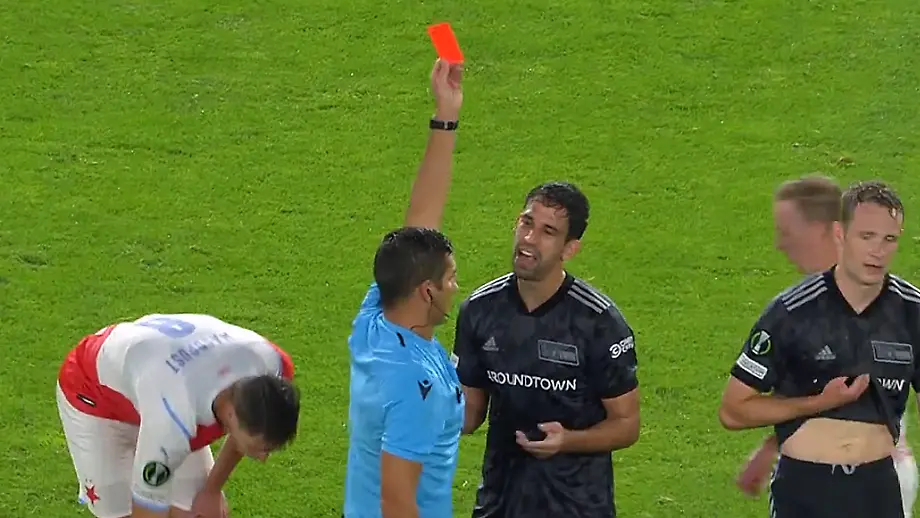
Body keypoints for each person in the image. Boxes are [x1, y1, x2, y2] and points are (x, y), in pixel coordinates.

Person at [718, 180, 920, 518]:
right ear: (840, 234)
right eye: (867, 236)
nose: (878, 251)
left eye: (889, 239)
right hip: (806, 489)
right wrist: (819, 403)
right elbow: (733, 410)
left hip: (879, 490)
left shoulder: (912, 312)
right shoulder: (791, 312)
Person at [453, 181, 641, 518]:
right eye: (526, 222)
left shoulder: (598, 322)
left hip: (577, 508)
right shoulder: (480, 310)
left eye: (547, 231)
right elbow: (469, 414)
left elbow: (626, 424)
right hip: (499, 503)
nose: (529, 238)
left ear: (570, 249)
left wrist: (567, 440)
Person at [342, 58, 465, 518]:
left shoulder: (375, 321)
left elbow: (419, 227)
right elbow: (396, 502)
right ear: (426, 292)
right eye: (450, 278)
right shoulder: (416, 387)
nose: (456, 287)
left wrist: (446, 116)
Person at [56, 313, 300, 518]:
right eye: (259, 447)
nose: (263, 458)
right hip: (94, 395)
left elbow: (249, 423)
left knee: (199, 512)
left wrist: (211, 490)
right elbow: (146, 511)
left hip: (154, 372)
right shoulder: (173, 421)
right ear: (231, 415)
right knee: (121, 512)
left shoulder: (273, 368)